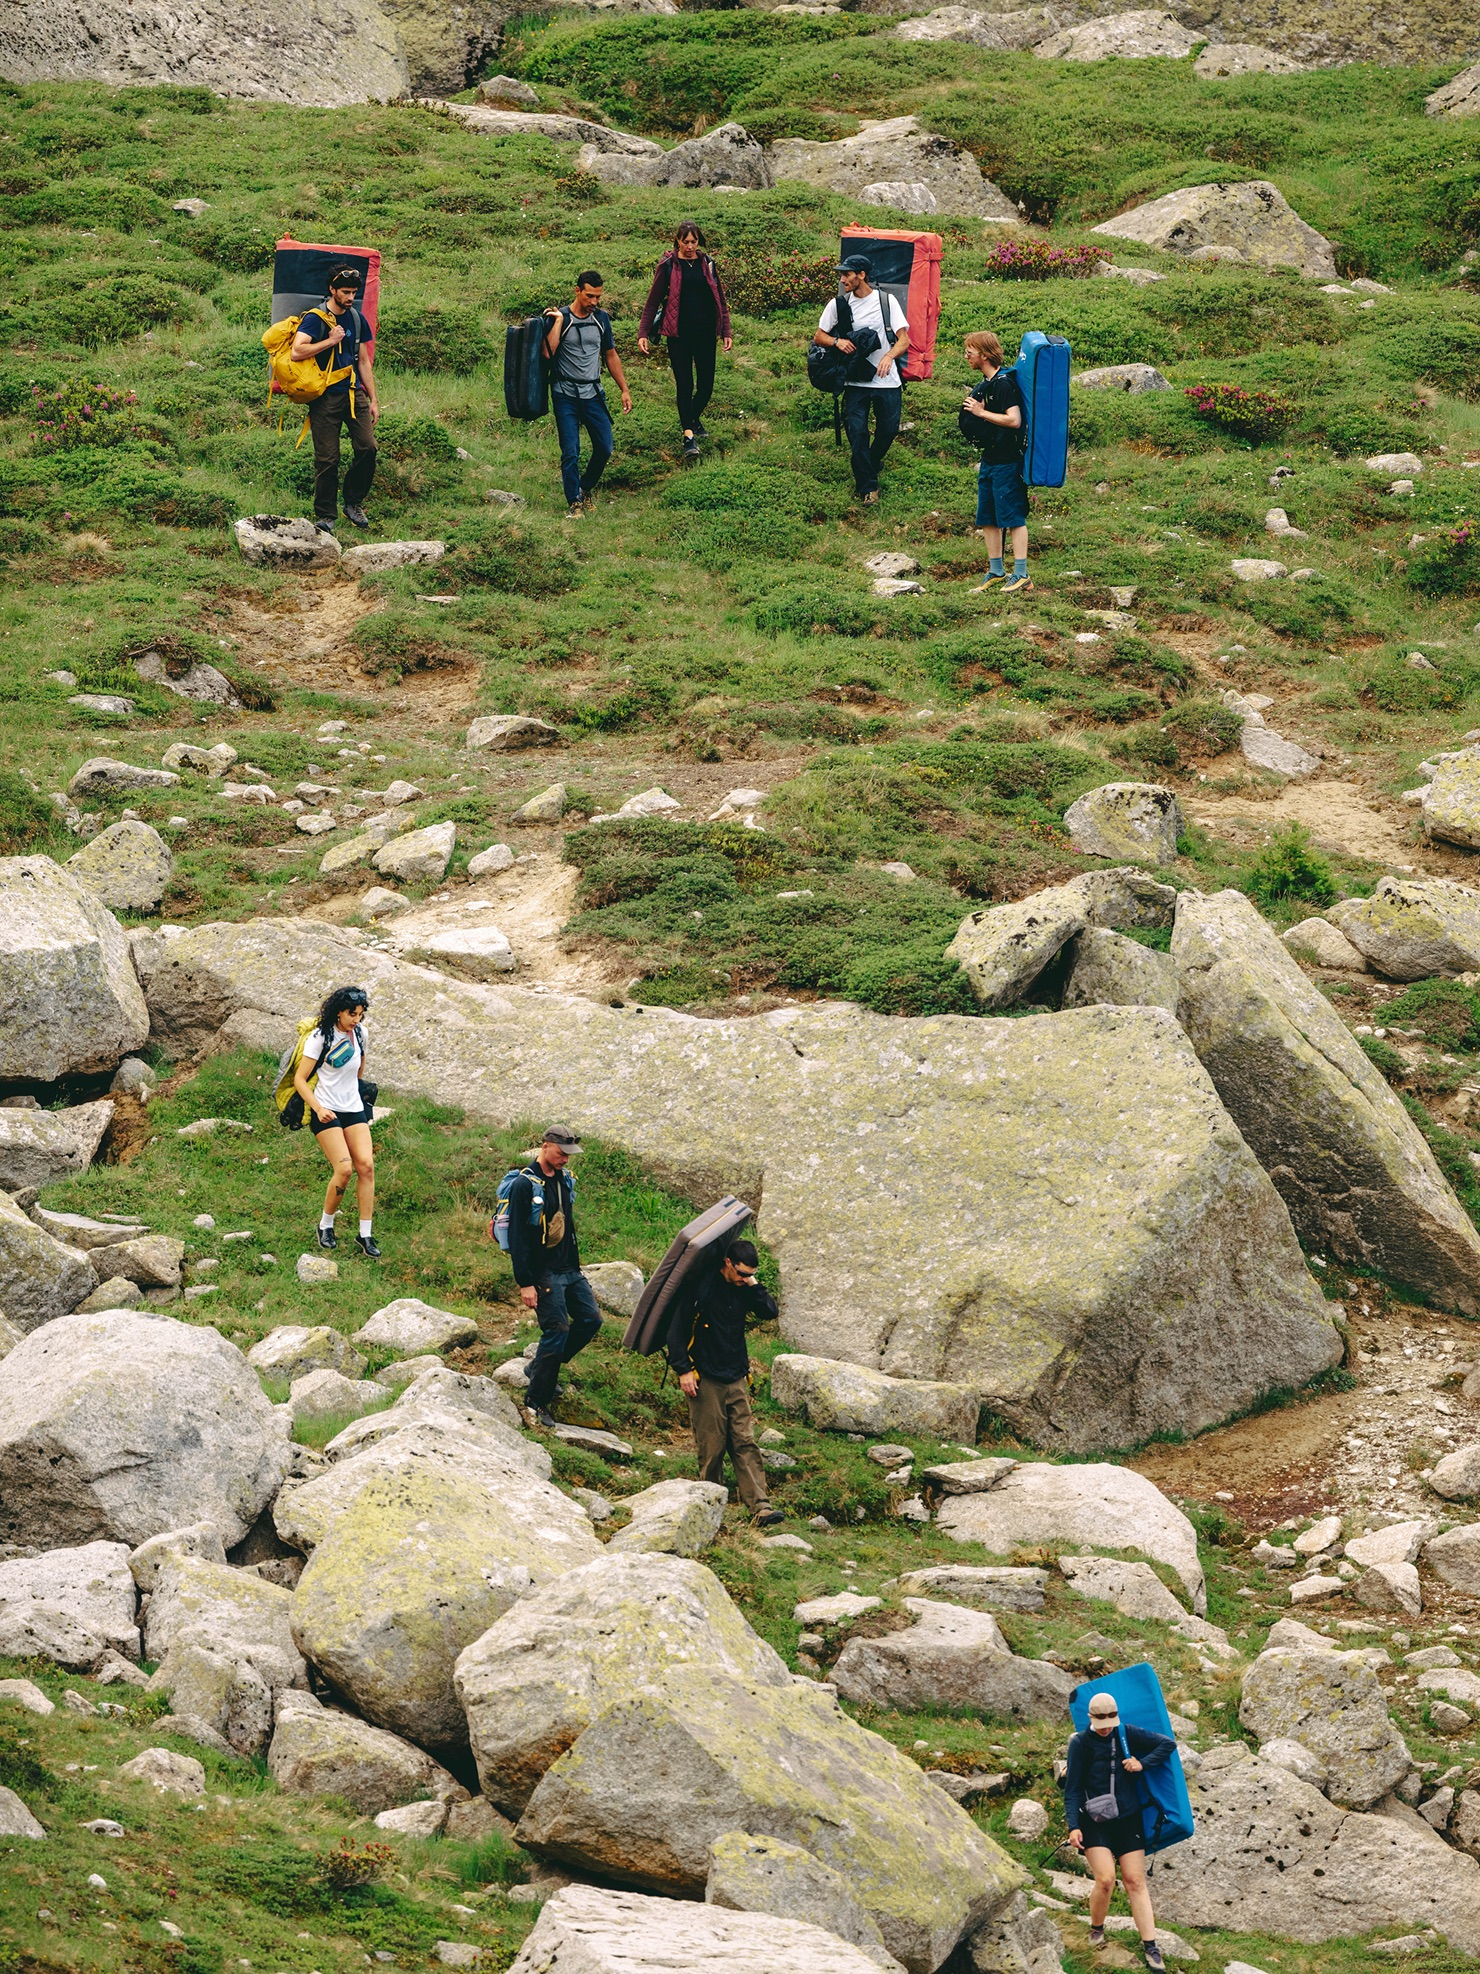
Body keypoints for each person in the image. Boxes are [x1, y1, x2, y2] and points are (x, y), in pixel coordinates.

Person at [667, 1237, 784, 1528]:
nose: (744, 1278)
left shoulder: (745, 1288)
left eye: (750, 1274)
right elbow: (676, 1331)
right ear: (728, 1263)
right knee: (712, 1444)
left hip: (736, 1376)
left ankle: (761, 1508)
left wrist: (754, 1285)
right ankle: (710, 1506)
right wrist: (683, 1370)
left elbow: (770, 1311)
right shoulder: (701, 1286)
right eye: (741, 1272)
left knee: (745, 1441)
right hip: (703, 1377)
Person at [1062, 1690, 1174, 1972]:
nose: (1107, 1729)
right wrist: (1073, 1826)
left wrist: (1142, 1763)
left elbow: (1167, 1744)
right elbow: (1073, 1787)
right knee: (1106, 1879)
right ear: (1090, 1719)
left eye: (1111, 1722)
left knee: (1135, 1880)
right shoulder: (1080, 1743)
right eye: (1102, 1724)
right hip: (1093, 1820)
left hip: (1127, 1817)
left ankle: (1151, 1946)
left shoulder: (1125, 1733)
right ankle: (1097, 1929)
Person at [507, 1125, 603, 1428]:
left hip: (570, 1270)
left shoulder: (564, 1180)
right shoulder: (525, 1185)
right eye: (561, 1154)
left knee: (591, 1320)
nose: (565, 1160)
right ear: (545, 1146)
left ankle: (539, 1366)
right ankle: (536, 1402)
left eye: (569, 1155)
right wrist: (526, 1282)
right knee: (557, 1331)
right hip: (543, 1274)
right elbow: (519, 1237)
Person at [813, 253, 909, 507]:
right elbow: (819, 336)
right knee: (857, 435)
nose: (842, 279)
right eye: (841, 274)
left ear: (862, 275)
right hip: (854, 382)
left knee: (887, 431)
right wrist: (837, 341)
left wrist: (889, 356)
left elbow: (904, 339)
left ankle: (869, 462)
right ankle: (869, 487)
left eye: (847, 274)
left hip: (887, 381)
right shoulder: (839, 305)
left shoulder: (887, 302)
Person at [290, 266, 377, 533]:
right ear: (332, 290)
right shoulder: (315, 318)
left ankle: (353, 503)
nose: (350, 297)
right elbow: (297, 351)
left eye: (353, 292)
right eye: (345, 292)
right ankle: (326, 515)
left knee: (368, 448)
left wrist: (373, 399)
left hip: (353, 394)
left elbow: (363, 361)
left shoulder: (357, 318)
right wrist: (330, 341)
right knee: (328, 459)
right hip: (324, 398)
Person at [296, 985, 380, 1259]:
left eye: (360, 1014)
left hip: (353, 1107)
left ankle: (365, 1234)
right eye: (351, 1014)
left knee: (366, 1167)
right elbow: (300, 1079)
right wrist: (319, 1109)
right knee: (344, 1170)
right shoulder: (320, 1037)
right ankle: (326, 1225)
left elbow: (359, 1069)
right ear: (338, 1012)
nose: (356, 1019)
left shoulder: (361, 1034)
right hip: (326, 1109)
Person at [637, 222, 732, 460]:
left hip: (705, 334)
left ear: (699, 242)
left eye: (694, 242)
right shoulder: (668, 266)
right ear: (677, 241)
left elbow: (720, 299)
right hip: (678, 335)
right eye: (685, 241)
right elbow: (652, 303)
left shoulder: (707, 264)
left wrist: (726, 331)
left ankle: (692, 417)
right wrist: (642, 333)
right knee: (685, 384)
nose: (690, 246)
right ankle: (688, 436)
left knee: (707, 386)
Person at [544, 271, 632, 519]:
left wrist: (624, 389)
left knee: (605, 447)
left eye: (598, 297)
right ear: (577, 291)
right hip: (565, 394)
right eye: (590, 296)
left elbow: (611, 355)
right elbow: (547, 353)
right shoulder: (560, 317)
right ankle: (574, 502)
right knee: (571, 451)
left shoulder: (601, 319)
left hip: (593, 393)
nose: (594, 302)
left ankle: (584, 487)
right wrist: (559, 323)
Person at [961, 331, 1032, 594]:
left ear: (986, 354)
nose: (967, 355)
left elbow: (1014, 420)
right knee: (988, 518)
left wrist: (981, 413)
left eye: (971, 350)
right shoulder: (988, 383)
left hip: (1007, 461)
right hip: (990, 460)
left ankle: (1022, 573)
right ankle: (996, 571)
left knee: (1013, 516)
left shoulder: (1003, 384)